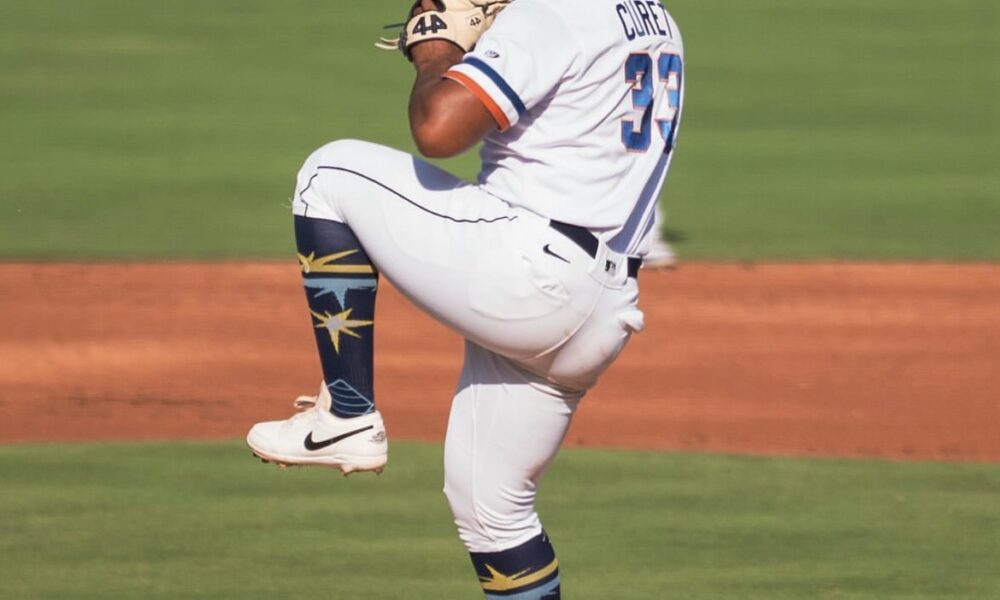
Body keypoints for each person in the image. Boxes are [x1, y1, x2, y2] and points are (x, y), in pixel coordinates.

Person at [247, 0, 684, 597]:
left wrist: (435, 49)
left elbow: (438, 128)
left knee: (329, 176)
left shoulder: (552, 13)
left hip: (532, 272)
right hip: (604, 309)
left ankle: (347, 413)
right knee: (489, 506)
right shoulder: (655, 20)